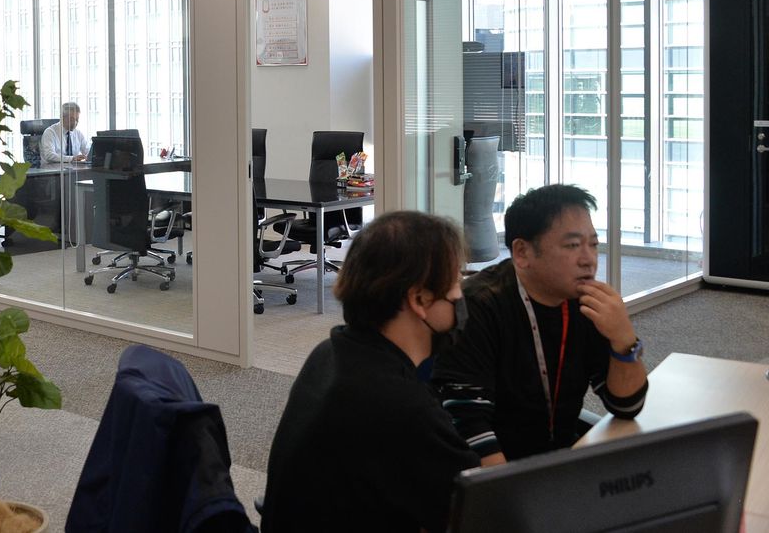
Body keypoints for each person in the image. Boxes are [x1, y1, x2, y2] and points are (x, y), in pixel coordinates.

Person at [260, 211, 479, 533]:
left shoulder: (331, 352)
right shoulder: (401, 406)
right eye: (456, 282)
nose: (461, 294)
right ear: (419, 298)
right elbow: (480, 510)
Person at [432, 184, 648, 465]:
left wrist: (623, 339)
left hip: (559, 458)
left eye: (593, 244)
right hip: (497, 469)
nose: (588, 259)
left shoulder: (586, 302)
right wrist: (518, 489)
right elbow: (469, 426)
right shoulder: (478, 306)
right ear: (522, 252)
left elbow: (627, 405)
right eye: (572, 245)